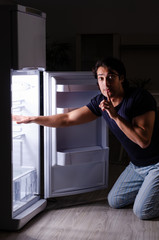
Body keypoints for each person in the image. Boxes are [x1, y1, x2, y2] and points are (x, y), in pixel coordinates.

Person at [13, 57, 159, 220]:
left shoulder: (140, 98)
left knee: (143, 212)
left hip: (156, 163)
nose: (106, 83)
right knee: (115, 201)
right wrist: (33, 119)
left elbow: (143, 141)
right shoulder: (101, 102)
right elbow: (67, 118)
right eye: (101, 78)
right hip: (137, 166)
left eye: (111, 76)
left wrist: (115, 116)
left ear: (122, 78)